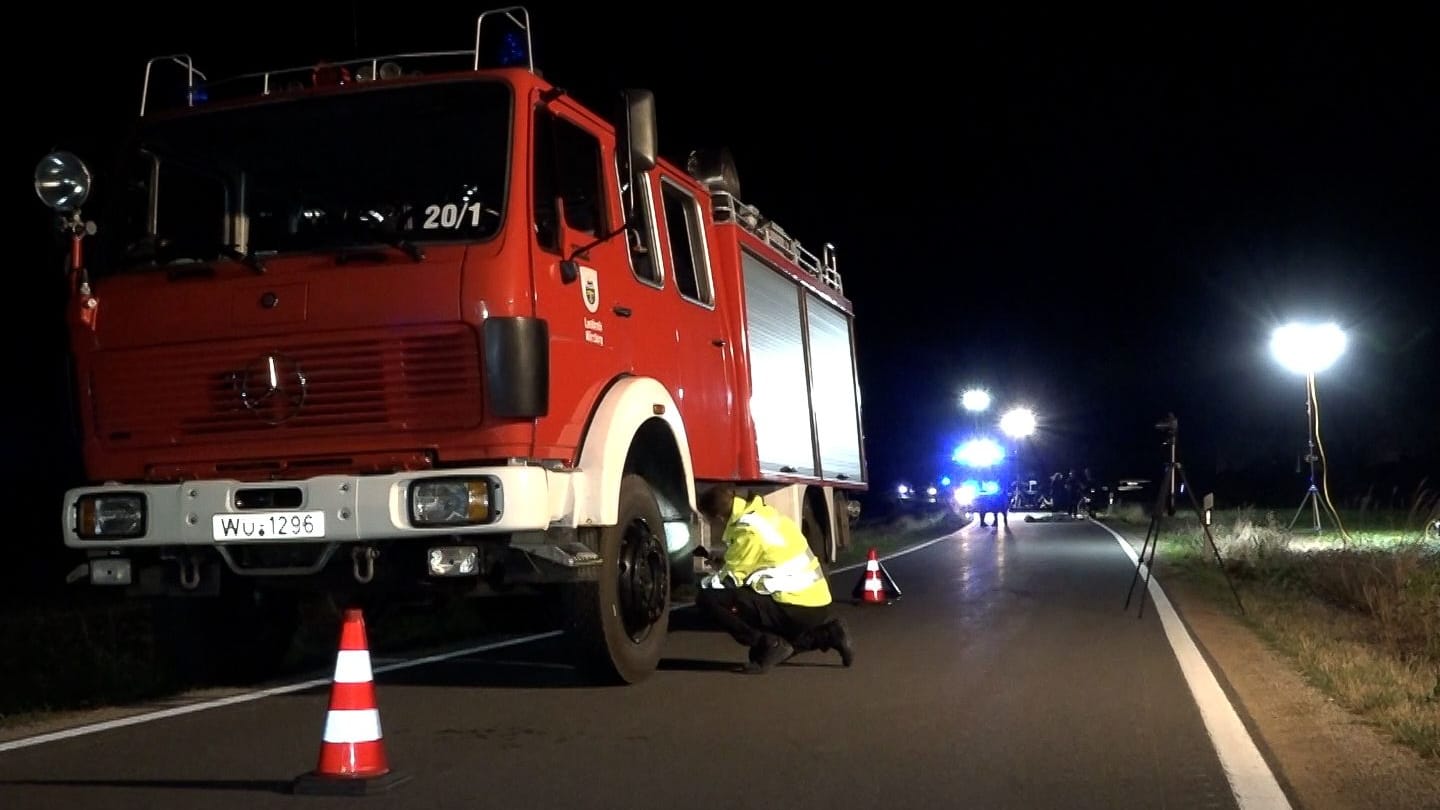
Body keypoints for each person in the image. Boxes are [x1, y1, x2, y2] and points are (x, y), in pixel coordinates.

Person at [693, 485, 855, 674]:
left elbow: (728, 582)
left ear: (719, 518)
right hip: (814, 602)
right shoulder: (762, 515)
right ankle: (829, 634)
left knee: (708, 599)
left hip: (795, 604)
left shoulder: (747, 531)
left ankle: (768, 642)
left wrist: (698, 584)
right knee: (762, 653)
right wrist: (723, 562)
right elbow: (760, 559)